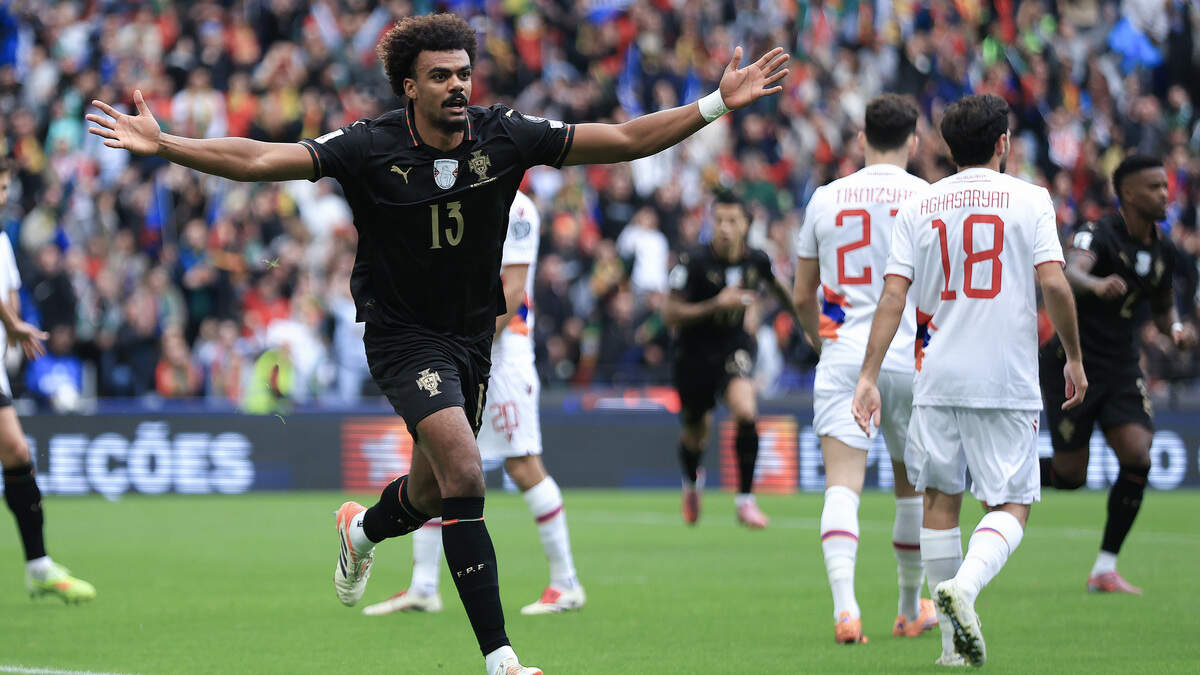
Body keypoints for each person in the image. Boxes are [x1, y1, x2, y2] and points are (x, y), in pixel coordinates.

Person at [88, 13, 788, 675]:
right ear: (410, 86)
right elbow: (259, 158)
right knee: (465, 476)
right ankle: (501, 657)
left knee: (426, 494)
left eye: (465, 72)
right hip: (401, 337)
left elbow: (626, 139)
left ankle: (361, 532)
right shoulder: (370, 146)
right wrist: (168, 143)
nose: (459, 84)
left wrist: (714, 105)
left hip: (471, 341)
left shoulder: (507, 135)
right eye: (442, 75)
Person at [851, 94, 1087, 667]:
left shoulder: (920, 206)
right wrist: (1074, 357)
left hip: (936, 376)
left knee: (939, 500)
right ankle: (968, 588)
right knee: (1011, 503)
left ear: (946, 150)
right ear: (1003, 144)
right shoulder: (1030, 199)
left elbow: (893, 296)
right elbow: (1054, 284)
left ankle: (949, 649)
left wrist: (868, 375)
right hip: (1003, 378)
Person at [363, 190, 585, 617]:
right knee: (433, 458)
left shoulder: (516, 208)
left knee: (523, 464)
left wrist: (467, 342)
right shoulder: (455, 194)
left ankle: (566, 582)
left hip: (503, 353)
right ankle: (424, 587)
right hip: (457, 349)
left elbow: (515, 290)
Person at [793, 94, 935, 645]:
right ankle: (908, 608)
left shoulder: (825, 199)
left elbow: (804, 292)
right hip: (913, 359)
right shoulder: (928, 199)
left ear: (861, 140)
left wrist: (820, 338)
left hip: (846, 353)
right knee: (912, 491)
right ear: (915, 142)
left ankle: (846, 610)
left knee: (842, 486)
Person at [1039, 155, 1197, 594]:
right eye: (1155, 187)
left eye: (1165, 186)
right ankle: (1003, 478)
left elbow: (1165, 311)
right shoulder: (1098, 233)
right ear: (1128, 193)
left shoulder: (1163, 251)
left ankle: (1105, 567)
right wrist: (1096, 285)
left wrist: (1178, 331)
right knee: (1071, 477)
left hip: (1122, 367)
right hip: (1072, 362)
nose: (1165, 194)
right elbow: (1070, 271)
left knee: (1138, 455)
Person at [662, 190, 799, 528]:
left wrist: (804, 320)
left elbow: (779, 288)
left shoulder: (756, 260)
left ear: (746, 225)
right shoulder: (692, 261)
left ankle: (745, 500)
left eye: (732, 221)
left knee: (745, 409)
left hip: (733, 346)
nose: (724, 228)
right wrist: (716, 305)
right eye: (719, 220)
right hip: (692, 354)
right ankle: (692, 483)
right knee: (696, 435)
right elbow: (669, 314)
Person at [0, 160, 95, 603]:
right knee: (15, 449)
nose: (2, 195)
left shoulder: (3, 239)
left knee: (17, 451)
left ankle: (38, 567)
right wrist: (13, 324)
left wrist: (13, 330)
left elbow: (10, 292)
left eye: (5, 186)